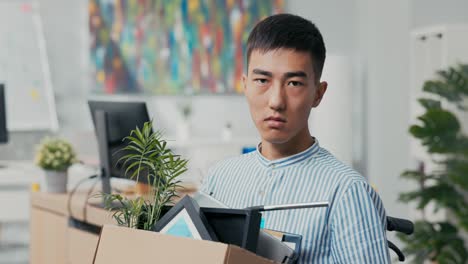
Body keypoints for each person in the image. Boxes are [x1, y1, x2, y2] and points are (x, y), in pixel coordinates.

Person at [201, 13, 390, 263]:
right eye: (262, 80)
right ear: (245, 85)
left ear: (318, 94)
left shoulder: (346, 192)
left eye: (293, 83)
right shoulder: (219, 178)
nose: (276, 101)